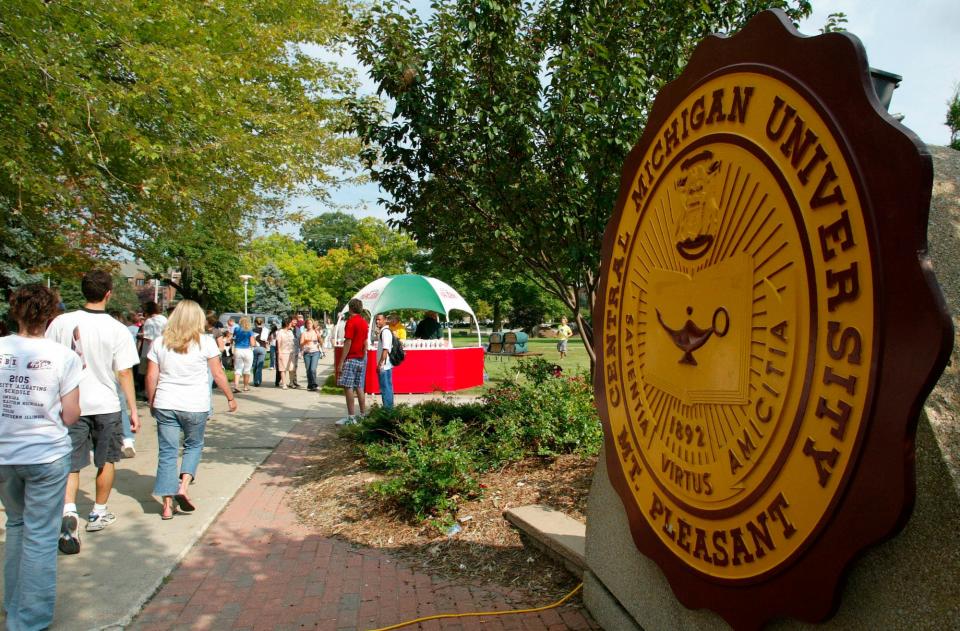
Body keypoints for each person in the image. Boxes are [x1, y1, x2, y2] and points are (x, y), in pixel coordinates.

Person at [0, 285, 81, 630]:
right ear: (50, 315)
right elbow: (72, 415)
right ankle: (28, 619)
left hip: (5, 453)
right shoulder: (64, 356)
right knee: (39, 535)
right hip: (45, 454)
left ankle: (13, 603)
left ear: (15, 310)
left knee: (16, 524)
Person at [46, 269, 140, 554]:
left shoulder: (61, 323)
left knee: (70, 460)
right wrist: (133, 409)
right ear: (108, 293)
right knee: (107, 459)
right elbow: (123, 372)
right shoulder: (116, 329)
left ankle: (69, 509)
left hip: (70, 402)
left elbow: (48, 359)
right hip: (105, 403)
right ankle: (99, 511)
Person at [145, 301, 237, 520]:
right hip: (195, 404)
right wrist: (230, 397)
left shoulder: (160, 343)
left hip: (166, 403)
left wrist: (152, 400)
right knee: (193, 445)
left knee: (167, 452)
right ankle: (183, 486)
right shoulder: (205, 343)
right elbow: (218, 374)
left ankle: (167, 505)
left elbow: (151, 376)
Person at [336, 299, 368, 424]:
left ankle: (351, 417)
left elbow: (348, 341)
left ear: (350, 308)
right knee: (359, 386)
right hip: (360, 358)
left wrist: (341, 361)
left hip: (351, 358)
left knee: (348, 387)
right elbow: (365, 342)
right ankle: (363, 414)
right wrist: (363, 355)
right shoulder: (364, 322)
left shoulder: (351, 322)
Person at [375, 313, 394, 409]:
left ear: (385, 320)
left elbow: (385, 349)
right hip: (385, 365)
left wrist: (380, 364)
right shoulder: (383, 331)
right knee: (387, 388)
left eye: (379, 319)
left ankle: (388, 411)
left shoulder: (385, 332)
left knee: (385, 388)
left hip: (384, 366)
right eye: (376, 320)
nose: (377, 321)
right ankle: (389, 409)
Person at [231, 317, 256, 393]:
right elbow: (252, 344)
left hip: (238, 350)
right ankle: (245, 386)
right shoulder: (250, 331)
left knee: (238, 368)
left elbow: (233, 338)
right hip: (247, 350)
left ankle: (236, 386)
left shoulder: (236, 329)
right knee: (247, 369)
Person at [275, 317, 297, 389]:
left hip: (291, 352)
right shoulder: (280, 332)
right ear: (287, 324)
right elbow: (278, 343)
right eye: (290, 323)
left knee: (291, 368)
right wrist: (279, 353)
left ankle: (291, 382)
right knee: (283, 368)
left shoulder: (290, 332)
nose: (292, 324)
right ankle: (284, 384)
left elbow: (293, 342)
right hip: (283, 352)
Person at [300, 319, 321, 391]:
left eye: (310, 323)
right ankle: (310, 385)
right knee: (308, 370)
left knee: (312, 369)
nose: (309, 325)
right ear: (306, 325)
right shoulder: (304, 333)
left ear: (312, 324)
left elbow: (321, 342)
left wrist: (319, 336)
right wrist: (306, 341)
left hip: (315, 352)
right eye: (307, 323)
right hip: (306, 353)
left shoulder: (316, 332)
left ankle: (314, 384)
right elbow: (301, 344)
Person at [252, 317, 267, 386]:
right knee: (260, 365)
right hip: (262, 348)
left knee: (254, 365)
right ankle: (258, 381)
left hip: (255, 348)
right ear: (262, 323)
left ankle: (255, 380)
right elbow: (266, 340)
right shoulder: (266, 330)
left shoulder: (253, 330)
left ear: (255, 322)